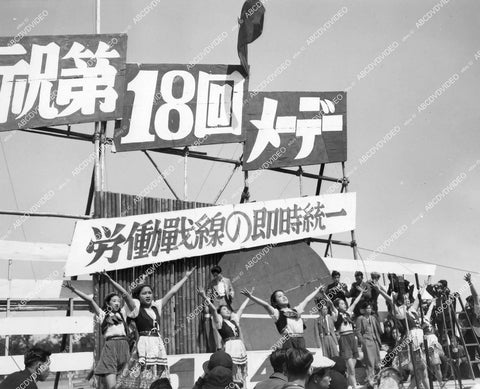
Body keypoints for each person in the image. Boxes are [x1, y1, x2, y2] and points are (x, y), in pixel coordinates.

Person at [116, 267, 196, 388]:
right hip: (144, 344)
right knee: (143, 373)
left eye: (149, 292)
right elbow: (126, 295)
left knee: (158, 372)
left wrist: (186, 277)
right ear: (138, 296)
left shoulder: (156, 307)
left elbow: (172, 292)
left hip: (157, 343)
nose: (148, 295)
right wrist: (110, 280)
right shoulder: (136, 309)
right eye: (144, 293)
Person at [63, 278, 131, 389]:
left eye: (118, 301)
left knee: (125, 384)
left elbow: (126, 294)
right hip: (111, 346)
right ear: (108, 303)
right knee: (112, 386)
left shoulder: (123, 313)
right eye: (114, 301)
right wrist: (73, 289)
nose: (117, 303)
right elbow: (89, 300)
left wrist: (109, 279)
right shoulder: (103, 314)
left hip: (124, 346)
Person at [240, 285, 323, 349]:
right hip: (289, 341)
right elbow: (265, 305)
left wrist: (318, 290)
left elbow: (307, 299)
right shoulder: (276, 313)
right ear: (275, 303)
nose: (283, 297)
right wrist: (250, 297)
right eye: (279, 296)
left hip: (301, 340)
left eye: (284, 295)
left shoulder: (297, 310)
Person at [198, 287, 251, 386]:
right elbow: (213, 309)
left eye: (227, 309)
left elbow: (241, 310)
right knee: (233, 371)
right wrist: (204, 296)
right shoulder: (219, 321)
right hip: (230, 347)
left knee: (242, 372)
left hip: (240, 347)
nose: (227, 310)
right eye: (224, 309)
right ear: (220, 313)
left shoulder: (234, 320)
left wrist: (249, 297)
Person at [329, 286, 366, 388]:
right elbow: (331, 304)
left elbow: (354, 303)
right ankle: (354, 386)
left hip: (352, 338)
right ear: (337, 307)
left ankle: (348, 383)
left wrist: (361, 293)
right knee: (351, 368)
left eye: (344, 303)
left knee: (351, 367)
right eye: (341, 303)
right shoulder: (336, 314)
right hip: (344, 339)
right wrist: (324, 295)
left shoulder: (348, 313)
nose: (344, 304)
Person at [355, 302, 382, 387]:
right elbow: (358, 331)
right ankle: (370, 382)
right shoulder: (360, 318)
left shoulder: (373, 318)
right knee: (369, 362)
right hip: (366, 342)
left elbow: (378, 330)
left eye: (370, 308)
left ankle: (377, 380)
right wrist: (362, 341)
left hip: (374, 341)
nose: (369, 310)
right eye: (367, 308)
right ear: (363, 310)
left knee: (377, 361)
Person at [314, 287, 339, 359]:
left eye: (326, 309)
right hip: (323, 339)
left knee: (335, 355)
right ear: (320, 310)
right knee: (326, 357)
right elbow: (316, 333)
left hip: (331, 337)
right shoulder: (317, 320)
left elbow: (331, 304)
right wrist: (319, 345)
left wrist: (323, 293)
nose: (325, 310)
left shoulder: (331, 317)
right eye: (323, 309)